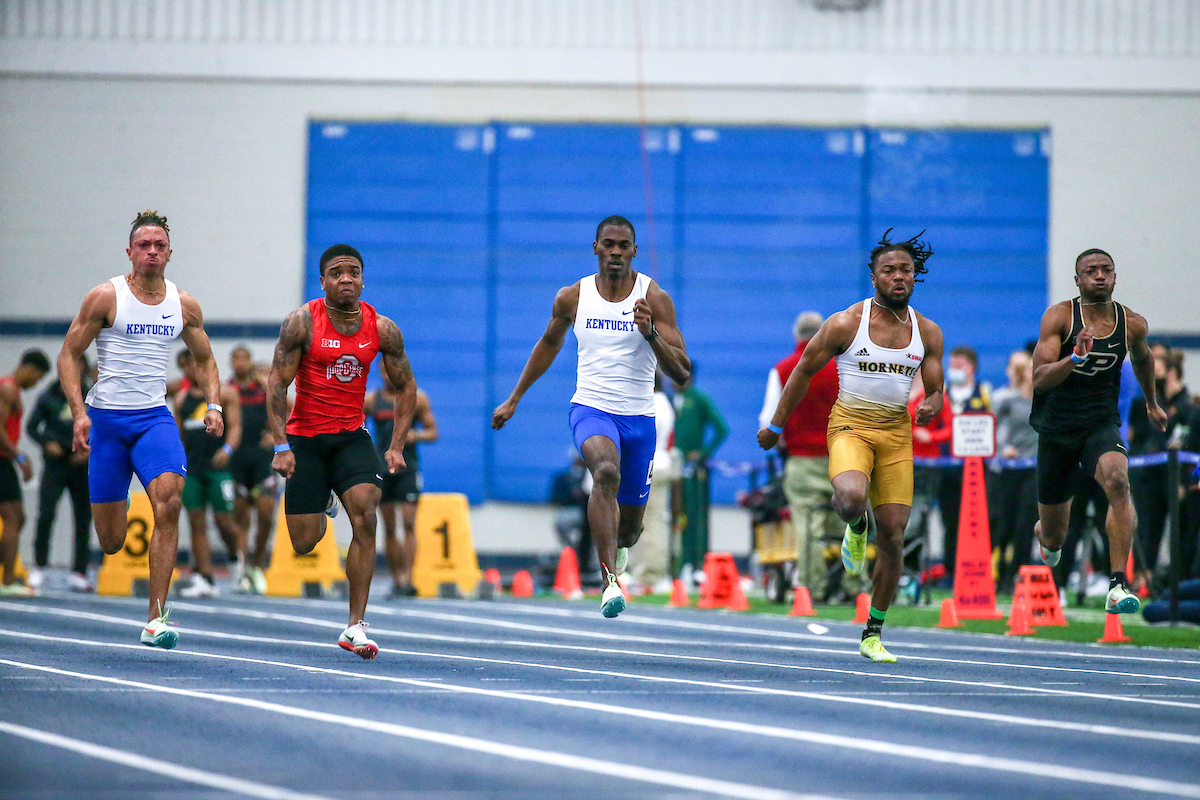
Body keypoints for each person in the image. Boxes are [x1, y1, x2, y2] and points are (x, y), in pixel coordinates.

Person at [759, 230, 946, 663]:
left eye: (906, 270)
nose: (898, 277)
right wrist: (775, 426)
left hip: (896, 434)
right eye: (889, 270)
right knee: (849, 498)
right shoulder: (847, 323)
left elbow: (937, 390)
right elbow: (802, 371)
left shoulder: (928, 331)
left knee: (895, 536)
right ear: (874, 277)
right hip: (850, 426)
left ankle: (873, 633)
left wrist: (931, 406)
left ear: (915, 276)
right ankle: (856, 526)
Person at [492, 215, 691, 618]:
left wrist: (651, 333)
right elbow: (548, 344)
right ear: (596, 247)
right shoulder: (573, 296)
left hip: (639, 418)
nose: (615, 251)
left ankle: (618, 546)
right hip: (591, 408)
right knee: (604, 472)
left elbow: (682, 372)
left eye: (623, 245)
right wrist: (514, 398)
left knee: (630, 530)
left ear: (634, 251)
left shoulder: (654, 298)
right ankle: (608, 581)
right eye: (608, 244)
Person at [57, 210, 225, 647]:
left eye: (159, 245)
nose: (152, 251)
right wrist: (79, 413)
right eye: (144, 245)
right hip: (107, 423)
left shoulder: (183, 304)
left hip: (154, 419)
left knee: (169, 503)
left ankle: (156, 619)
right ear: (130, 251)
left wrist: (214, 404)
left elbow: (205, 358)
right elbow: (68, 355)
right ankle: (122, 501)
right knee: (112, 541)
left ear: (170, 253)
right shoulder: (105, 297)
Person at [268, 243, 417, 659]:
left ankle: (356, 625)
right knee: (304, 541)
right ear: (323, 281)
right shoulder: (301, 322)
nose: (346, 279)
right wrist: (281, 445)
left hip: (352, 437)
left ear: (363, 280)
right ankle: (325, 498)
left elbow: (406, 387)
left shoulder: (382, 329)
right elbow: (277, 384)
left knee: (366, 514)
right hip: (306, 439)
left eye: (353, 272)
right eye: (336, 273)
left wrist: (396, 446)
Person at [1030, 248, 1165, 616]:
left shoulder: (1131, 323)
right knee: (1055, 537)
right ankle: (1046, 536)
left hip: (1099, 423)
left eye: (1107, 269)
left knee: (1118, 480)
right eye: (1091, 271)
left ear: (1115, 277)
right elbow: (1039, 379)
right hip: (1057, 429)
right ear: (1078, 280)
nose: (1100, 275)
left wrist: (1151, 403)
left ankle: (1117, 584)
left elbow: (1143, 357)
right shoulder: (1060, 316)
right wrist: (1074, 358)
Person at [758, 311, 840, 599]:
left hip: (802, 459)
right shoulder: (842, 367)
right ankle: (854, 586)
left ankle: (813, 586)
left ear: (796, 334)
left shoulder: (783, 369)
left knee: (808, 524)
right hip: (843, 458)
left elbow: (769, 420)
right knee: (849, 523)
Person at [174, 349, 245, 598]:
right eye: (184, 366)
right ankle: (205, 577)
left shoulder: (225, 394)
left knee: (224, 521)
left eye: (192, 365)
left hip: (219, 468)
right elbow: (179, 435)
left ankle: (235, 558)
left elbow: (236, 427)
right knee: (196, 522)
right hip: (193, 468)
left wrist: (227, 449)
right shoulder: (182, 399)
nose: (188, 371)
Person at [27, 353, 95, 592]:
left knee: (83, 518)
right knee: (46, 514)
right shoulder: (49, 395)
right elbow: (31, 427)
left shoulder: (92, 396)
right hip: (55, 464)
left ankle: (79, 571)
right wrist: (47, 443)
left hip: (81, 463)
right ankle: (39, 566)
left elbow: (104, 428)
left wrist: (90, 451)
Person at [366, 376, 437, 598]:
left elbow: (433, 432)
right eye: (384, 371)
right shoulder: (372, 400)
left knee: (408, 522)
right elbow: (354, 427)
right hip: (383, 467)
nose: (389, 376)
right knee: (389, 526)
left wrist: (416, 435)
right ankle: (396, 579)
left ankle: (408, 578)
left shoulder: (417, 398)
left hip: (408, 467)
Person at [1128, 346, 1189, 587]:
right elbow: (1137, 438)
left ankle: (1177, 578)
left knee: (1179, 528)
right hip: (1148, 474)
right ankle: (1144, 575)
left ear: (1171, 371)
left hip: (1175, 475)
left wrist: (1187, 479)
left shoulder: (1186, 405)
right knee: (1147, 526)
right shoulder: (1146, 403)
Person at [0, 350, 52, 595]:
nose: (36, 383)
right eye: (38, 378)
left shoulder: (12, 389)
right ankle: (8, 580)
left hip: (4, 459)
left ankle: (8, 575)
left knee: (18, 517)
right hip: (2, 460)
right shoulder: (8, 389)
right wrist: (19, 457)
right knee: (13, 517)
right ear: (29, 369)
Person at [937, 345, 991, 580]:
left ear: (972, 367)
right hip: (946, 467)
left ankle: (978, 568)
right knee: (950, 521)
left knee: (976, 519)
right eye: (952, 366)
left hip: (976, 469)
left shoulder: (984, 393)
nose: (954, 370)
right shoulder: (941, 394)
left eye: (959, 366)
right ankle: (950, 570)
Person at [228, 345, 277, 595]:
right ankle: (242, 569)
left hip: (262, 460)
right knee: (241, 518)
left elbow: (289, 409)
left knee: (266, 515)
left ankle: (257, 563)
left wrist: (277, 435)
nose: (239, 363)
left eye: (244, 358)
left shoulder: (263, 389)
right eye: (235, 358)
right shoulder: (228, 389)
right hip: (237, 461)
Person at [989, 350, 1039, 591]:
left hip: (1034, 468)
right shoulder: (1008, 400)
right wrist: (1003, 448)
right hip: (1009, 467)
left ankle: (1019, 574)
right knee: (1004, 523)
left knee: (1025, 523)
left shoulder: (1046, 401)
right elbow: (993, 427)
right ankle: (998, 573)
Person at [672, 367, 728, 580]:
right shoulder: (668, 400)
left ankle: (697, 564)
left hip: (694, 470)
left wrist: (704, 452)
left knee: (695, 517)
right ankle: (679, 564)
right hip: (672, 467)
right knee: (676, 515)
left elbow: (722, 428)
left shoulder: (698, 398)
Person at [625, 371, 676, 593]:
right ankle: (643, 572)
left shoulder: (654, 404)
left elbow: (643, 438)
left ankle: (651, 575)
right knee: (646, 521)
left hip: (651, 466)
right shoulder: (663, 402)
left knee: (652, 522)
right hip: (656, 464)